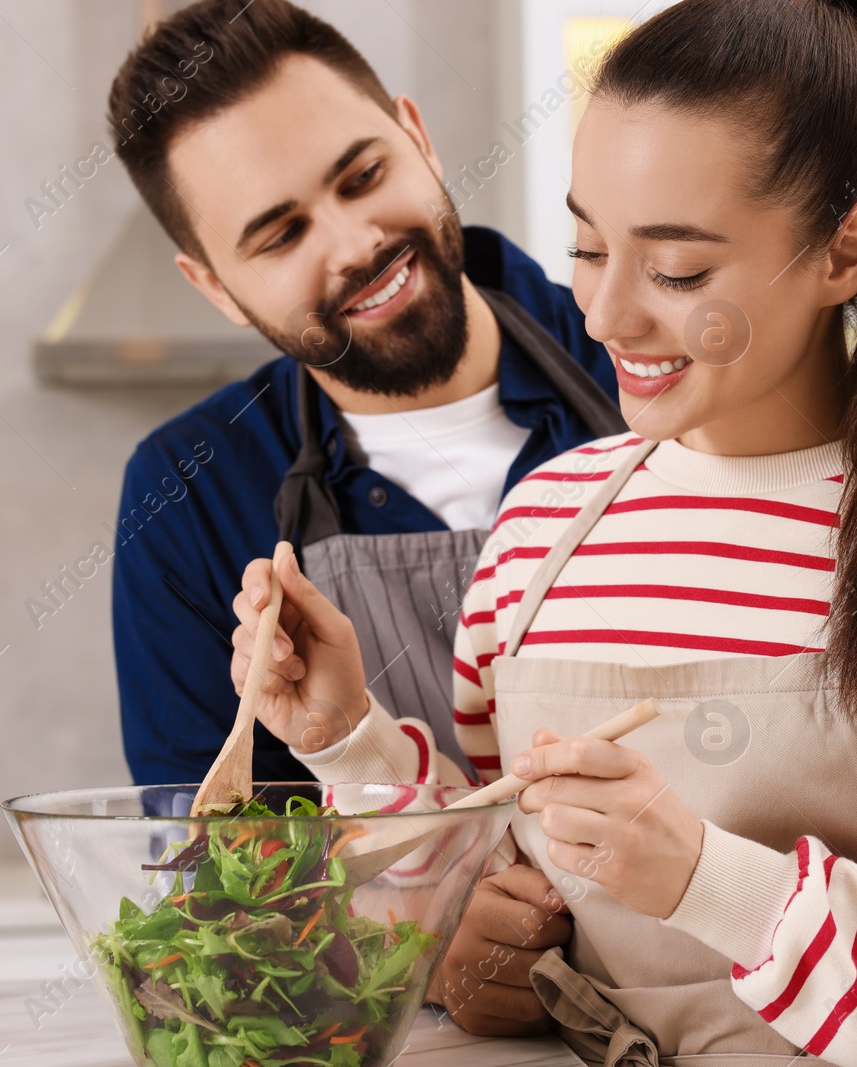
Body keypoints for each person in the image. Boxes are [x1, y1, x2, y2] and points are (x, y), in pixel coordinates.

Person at [231, 0, 857, 1061]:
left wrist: (714, 883)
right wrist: (347, 737)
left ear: (844, 251)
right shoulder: (542, 528)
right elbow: (496, 868)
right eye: (588, 247)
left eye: (677, 272)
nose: (604, 317)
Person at [106, 0, 623, 792]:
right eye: (281, 236)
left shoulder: (644, 357)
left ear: (417, 138)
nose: (356, 245)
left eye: (364, 177)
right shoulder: (187, 494)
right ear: (215, 287)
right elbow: (213, 871)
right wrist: (411, 910)